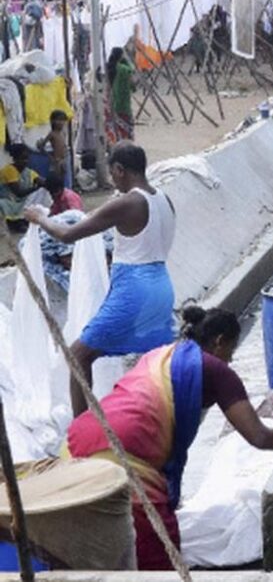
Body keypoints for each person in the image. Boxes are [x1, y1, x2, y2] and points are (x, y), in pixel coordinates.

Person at [65, 306, 273, 570]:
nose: (229, 361)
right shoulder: (217, 370)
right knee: (158, 553)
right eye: (230, 352)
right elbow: (259, 436)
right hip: (124, 451)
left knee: (105, 539)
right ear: (220, 341)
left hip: (83, 435)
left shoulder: (160, 356)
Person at [25, 143, 176, 415]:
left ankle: (83, 434)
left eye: (112, 172)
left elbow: (67, 235)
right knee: (157, 360)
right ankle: (160, 421)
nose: (112, 179)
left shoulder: (128, 202)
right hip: (161, 285)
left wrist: (39, 218)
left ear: (120, 170)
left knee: (78, 355)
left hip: (134, 289)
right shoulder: (163, 199)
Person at [1, 144, 45, 230]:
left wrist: (46, 183)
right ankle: (15, 222)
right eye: (22, 158)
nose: (25, 161)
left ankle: (24, 220)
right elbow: (18, 193)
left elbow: (41, 181)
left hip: (20, 202)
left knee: (43, 191)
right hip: (8, 200)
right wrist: (35, 188)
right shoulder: (9, 170)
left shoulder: (27, 171)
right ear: (15, 158)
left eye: (27, 158)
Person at [105, 47, 135, 143]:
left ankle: (114, 143)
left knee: (113, 126)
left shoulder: (108, 67)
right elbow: (133, 81)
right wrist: (126, 61)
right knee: (126, 127)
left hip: (110, 102)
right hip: (123, 104)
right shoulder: (125, 69)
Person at [37, 109, 69, 180]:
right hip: (56, 161)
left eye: (62, 120)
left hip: (63, 159)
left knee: (63, 178)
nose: (61, 122)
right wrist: (50, 157)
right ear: (52, 121)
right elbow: (41, 147)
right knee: (57, 178)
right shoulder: (52, 134)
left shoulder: (62, 133)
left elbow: (63, 146)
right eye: (58, 120)